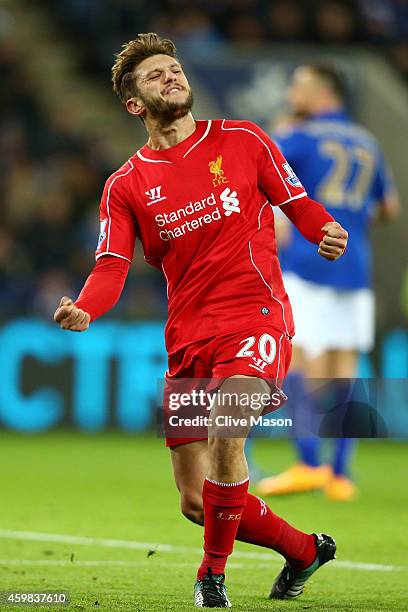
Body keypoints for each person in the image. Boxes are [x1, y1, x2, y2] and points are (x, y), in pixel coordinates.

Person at [53, 34, 348, 607]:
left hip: (254, 316)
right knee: (195, 500)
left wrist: (321, 229)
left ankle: (211, 576)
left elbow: (295, 200)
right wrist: (87, 306)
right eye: (155, 75)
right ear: (134, 104)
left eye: (175, 68)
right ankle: (305, 551)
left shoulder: (243, 138)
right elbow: (111, 265)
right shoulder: (125, 185)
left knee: (226, 426)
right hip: (189, 338)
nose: (171, 77)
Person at [256, 64, 399, 502]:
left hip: (310, 262)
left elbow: (263, 179)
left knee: (296, 360)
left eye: (298, 83)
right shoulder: (367, 141)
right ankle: (340, 476)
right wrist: (351, 217)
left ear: (321, 92)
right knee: (344, 368)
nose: (291, 91)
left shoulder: (298, 136)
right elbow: (388, 207)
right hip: (355, 267)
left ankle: (307, 465)